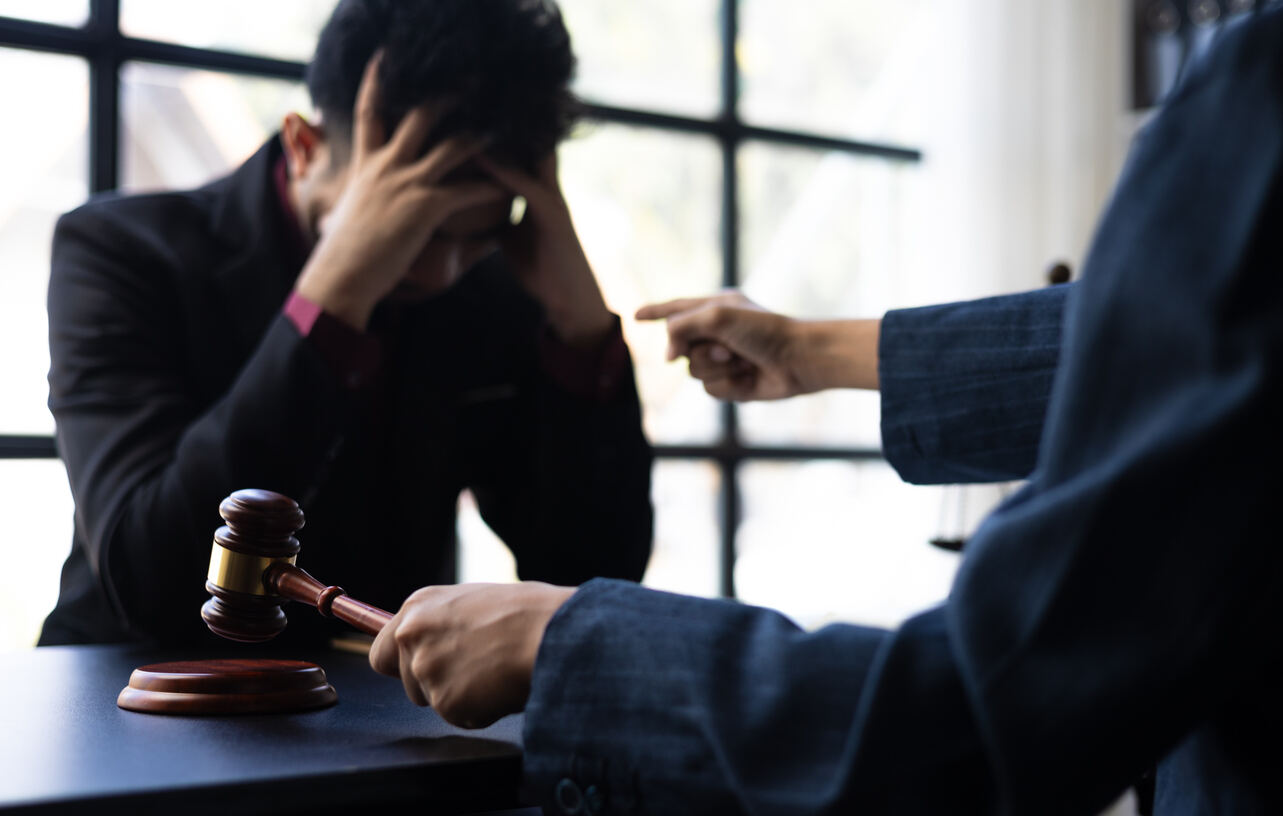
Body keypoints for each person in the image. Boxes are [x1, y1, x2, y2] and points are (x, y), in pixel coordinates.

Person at [367, 6, 1283, 814]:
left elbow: (984, 713)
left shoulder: (1259, 93)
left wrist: (571, 648)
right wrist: (819, 352)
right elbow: (1181, 345)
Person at [39, 0, 653, 648]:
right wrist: (334, 297)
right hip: (131, 687)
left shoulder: (493, 284)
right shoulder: (118, 253)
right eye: (412, 225)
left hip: (376, 696)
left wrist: (584, 333)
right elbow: (151, 580)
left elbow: (591, 579)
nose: (441, 269)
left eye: (473, 236)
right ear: (304, 147)